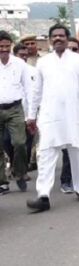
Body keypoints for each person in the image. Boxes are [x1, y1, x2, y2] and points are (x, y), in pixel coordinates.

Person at [26, 24, 79, 212]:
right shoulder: (43, 62)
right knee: (46, 155)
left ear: (67, 38)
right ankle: (43, 195)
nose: (58, 38)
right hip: (50, 115)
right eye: (54, 36)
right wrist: (31, 115)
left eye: (61, 35)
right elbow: (36, 91)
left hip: (74, 114)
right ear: (49, 40)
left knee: (77, 153)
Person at [0, 31, 31, 195]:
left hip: (15, 108)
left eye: (7, 46)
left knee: (19, 143)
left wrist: (30, 114)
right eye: (1, 46)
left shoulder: (19, 64)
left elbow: (28, 88)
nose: (4, 49)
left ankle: (19, 172)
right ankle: (2, 182)